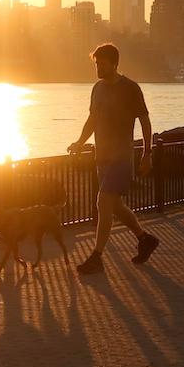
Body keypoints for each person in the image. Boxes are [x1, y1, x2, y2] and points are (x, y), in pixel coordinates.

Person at [68, 43, 160, 274]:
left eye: (102, 63)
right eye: (96, 63)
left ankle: (97, 257)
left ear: (114, 63)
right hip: (102, 158)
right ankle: (145, 238)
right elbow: (92, 120)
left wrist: (147, 154)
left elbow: (145, 121)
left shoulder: (130, 88)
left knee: (103, 201)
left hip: (121, 157)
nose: (98, 67)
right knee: (116, 206)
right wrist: (79, 143)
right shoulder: (97, 89)